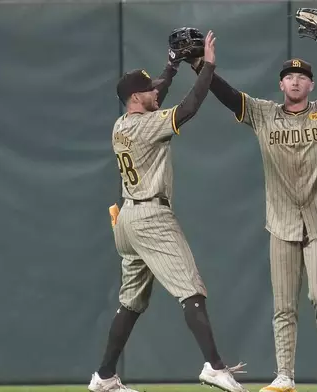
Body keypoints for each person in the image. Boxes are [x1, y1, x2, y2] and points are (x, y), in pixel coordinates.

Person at [184, 48, 317, 392]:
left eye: (302, 77)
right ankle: (285, 374)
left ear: (312, 85)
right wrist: (200, 67)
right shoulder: (264, 114)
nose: (295, 81)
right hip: (281, 222)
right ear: (281, 85)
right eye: (289, 77)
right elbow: (229, 96)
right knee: (284, 305)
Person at [88, 31, 248, 392]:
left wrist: (172, 65)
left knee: (130, 303)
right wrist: (207, 66)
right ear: (134, 98)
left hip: (127, 219)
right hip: (150, 217)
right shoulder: (146, 126)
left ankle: (104, 376)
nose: (155, 91)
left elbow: (157, 87)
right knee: (191, 290)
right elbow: (189, 107)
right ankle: (215, 366)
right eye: (148, 90)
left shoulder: (121, 125)